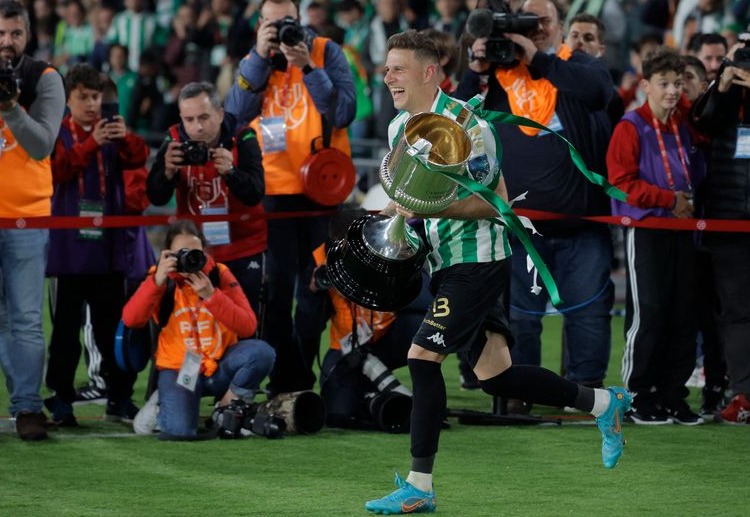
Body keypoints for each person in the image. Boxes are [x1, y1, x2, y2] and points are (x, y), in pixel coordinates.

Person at [364, 30, 632, 515]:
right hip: (444, 263)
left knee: (422, 358)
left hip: (478, 261)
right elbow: (410, 194)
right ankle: (602, 405)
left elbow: (498, 204)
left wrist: (432, 207)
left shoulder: (471, 127)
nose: (387, 77)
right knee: (496, 376)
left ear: (429, 72)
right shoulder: (398, 127)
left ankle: (419, 487)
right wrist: (394, 216)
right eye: (386, 69)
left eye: (397, 68)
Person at [455, 0, 615, 399]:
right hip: (521, 228)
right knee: (521, 321)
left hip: (582, 225)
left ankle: (587, 397)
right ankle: (523, 395)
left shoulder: (577, 64)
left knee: (587, 315)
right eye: (529, 21)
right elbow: (456, 120)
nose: (537, 26)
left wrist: (539, 58)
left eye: (544, 20)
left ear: (561, 26)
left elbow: (600, 93)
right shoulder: (500, 73)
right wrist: (475, 71)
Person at [224, 0, 356, 395]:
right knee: (277, 291)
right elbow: (234, 117)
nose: (281, 30)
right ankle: (286, 377)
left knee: (316, 286)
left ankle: (301, 376)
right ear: (260, 25)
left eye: (288, 22)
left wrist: (308, 68)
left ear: (300, 21)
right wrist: (258, 63)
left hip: (320, 189)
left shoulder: (325, 51)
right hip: (273, 193)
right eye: (272, 23)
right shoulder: (254, 61)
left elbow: (343, 111)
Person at [43, 63, 151, 426]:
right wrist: (92, 144)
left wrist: (124, 137)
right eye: (83, 97)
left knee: (112, 331)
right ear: (68, 99)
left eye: (96, 97)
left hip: (107, 251)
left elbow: (138, 158)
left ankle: (118, 398)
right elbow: (58, 171)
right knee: (65, 334)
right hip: (69, 254)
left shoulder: (111, 132)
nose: (91, 104)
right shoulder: (58, 134)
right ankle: (60, 399)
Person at [606, 47, 706, 425]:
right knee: (648, 313)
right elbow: (619, 184)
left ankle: (672, 394)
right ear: (646, 84)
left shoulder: (684, 126)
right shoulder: (630, 127)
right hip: (647, 230)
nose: (672, 91)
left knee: (683, 314)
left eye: (677, 84)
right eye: (664, 83)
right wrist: (668, 199)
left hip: (683, 230)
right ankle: (636, 394)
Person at [122, 220, 275, 438]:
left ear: (204, 251)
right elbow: (131, 319)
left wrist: (212, 296)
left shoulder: (218, 274)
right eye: (180, 254)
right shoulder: (160, 279)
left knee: (261, 353)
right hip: (179, 369)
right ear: (168, 255)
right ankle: (160, 402)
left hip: (220, 364)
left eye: (195, 252)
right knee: (180, 431)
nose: (188, 260)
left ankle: (225, 407)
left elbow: (248, 326)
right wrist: (156, 282)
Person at [148, 81, 268, 335]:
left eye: (204, 117)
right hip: (195, 251)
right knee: (193, 326)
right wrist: (167, 172)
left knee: (245, 327)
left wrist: (232, 173)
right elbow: (155, 197)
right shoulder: (174, 139)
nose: (198, 127)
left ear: (220, 113)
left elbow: (256, 193)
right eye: (189, 119)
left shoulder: (242, 136)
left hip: (243, 247)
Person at [0, 0, 66, 441]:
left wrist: (10, 108)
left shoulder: (44, 78)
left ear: (29, 36)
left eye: (15, 34)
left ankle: (27, 407)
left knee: (24, 318)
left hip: (26, 218)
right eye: (1, 34)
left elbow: (42, 145)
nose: (7, 42)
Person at [313, 206, 430, 432]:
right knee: (337, 414)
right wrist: (312, 295)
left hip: (389, 338)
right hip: (346, 348)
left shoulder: (389, 248)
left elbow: (423, 299)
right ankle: (373, 398)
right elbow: (308, 326)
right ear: (336, 241)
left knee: (420, 327)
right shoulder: (321, 259)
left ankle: (422, 399)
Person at [691, 40, 750, 424]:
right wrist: (724, 84)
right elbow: (701, 123)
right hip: (728, 220)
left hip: (731, 219)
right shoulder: (725, 93)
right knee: (736, 312)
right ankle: (744, 393)